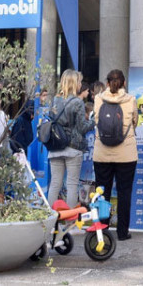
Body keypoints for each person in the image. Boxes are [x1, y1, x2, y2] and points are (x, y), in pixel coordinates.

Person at [93, 69, 138, 241]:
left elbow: (97, 121)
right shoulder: (131, 100)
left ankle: (102, 230)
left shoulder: (98, 99)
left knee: (102, 192)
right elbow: (134, 122)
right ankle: (122, 232)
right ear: (124, 83)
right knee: (124, 192)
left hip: (102, 154)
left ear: (107, 83)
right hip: (126, 155)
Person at [47, 69, 93, 208]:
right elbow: (82, 128)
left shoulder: (55, 100)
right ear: (74, 83)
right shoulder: (77, 102)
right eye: (79, 81)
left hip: (55, 146)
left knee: (55, 184)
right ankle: (70, 222)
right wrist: (94, 120)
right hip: (72, 148)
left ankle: (51, 220)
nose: (81, 84)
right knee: (72, 185)